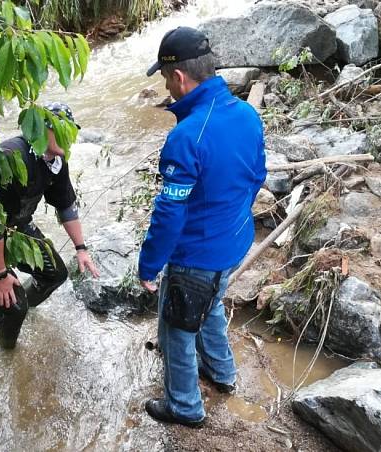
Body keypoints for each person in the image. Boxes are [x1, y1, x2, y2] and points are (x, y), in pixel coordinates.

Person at [138, 27, 267, 427]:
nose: (167, 87)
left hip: (197, 255)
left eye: (165, 78)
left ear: (179, 77)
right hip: (236, 241)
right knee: (210, 306)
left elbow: (169, 212)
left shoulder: (187, 135)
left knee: (176, 328)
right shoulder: (247, 113)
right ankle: (223, 374)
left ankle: (185, 407)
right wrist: (232, 220)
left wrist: (149, 265)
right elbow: (257, 176)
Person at [0, 102, 99, 350]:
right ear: (41, 129)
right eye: (61, 129)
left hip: (15, 225)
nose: (68, 137)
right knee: (12, 307)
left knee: (54, 274)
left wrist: (81, 248)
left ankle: (21, 308)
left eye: (71, 130)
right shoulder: (12, 156)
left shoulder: (56, 160)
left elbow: (65, 206)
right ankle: (6, 347)